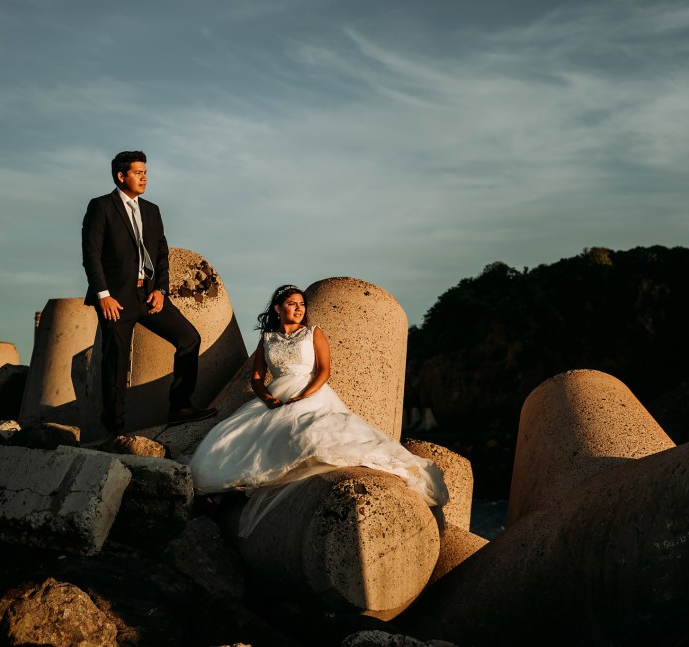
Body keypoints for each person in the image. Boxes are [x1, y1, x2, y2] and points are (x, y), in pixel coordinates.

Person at [189, 284, 448, 535]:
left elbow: (325, 371)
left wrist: (304, 395)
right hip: (276, 394)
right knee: (232, 436)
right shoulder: (267, 339)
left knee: (307, 435)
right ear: (278, 308)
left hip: (310, 392)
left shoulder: (312, 333)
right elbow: (256, 378)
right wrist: (267, 398)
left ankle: (241, 491)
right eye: (292, 304)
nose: (299, 309)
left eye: (302, 304)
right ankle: (227, 492)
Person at [82, 150, 216, 436]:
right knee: (116, 363)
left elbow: (161, 253)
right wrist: (103, 295)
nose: (144, 178)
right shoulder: (101, 206)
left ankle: (180, 406)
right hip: (116, 299)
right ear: (121, 176)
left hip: (149, 295)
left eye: (145, 172)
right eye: (138, 173)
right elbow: (91, 254)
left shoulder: (152, 210)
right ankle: (115, 431)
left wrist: (161, 290)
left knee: (189, 338)